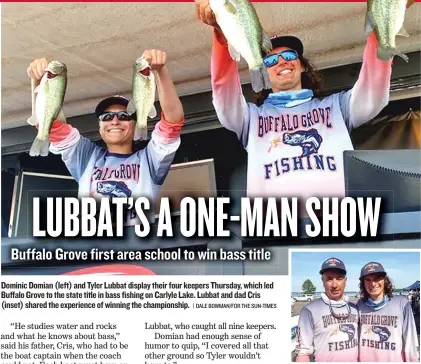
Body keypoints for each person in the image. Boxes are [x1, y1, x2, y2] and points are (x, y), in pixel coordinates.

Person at [195, 0, 393, 206]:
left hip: (336, 227)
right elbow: (224, 97)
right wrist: (221, 35)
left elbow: (374, 92)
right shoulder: (252, 119)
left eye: (289, 55)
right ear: (264, 72)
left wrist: (384, 15)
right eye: (270, 61)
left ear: (302, 66)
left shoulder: (337, 108)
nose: (281, 62)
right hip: (275, 231)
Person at [27, 50, 184, 225]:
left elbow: (173, 122)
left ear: (134, 124)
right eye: (107, 117)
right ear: (100, 128)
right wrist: (38, 81)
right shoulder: (87, 157)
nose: (115, 121)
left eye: (124, 116)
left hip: (137, 248)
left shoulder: (149, 161)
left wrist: (160, 72)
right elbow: (48, 125)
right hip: (94, 248)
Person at [295, 258, 358, 362]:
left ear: (345, 281)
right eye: (329, 279)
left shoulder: (355, 308)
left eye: (339, 278)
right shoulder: (309, 311)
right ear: (322, 281)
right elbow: (303, 352)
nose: (334, 285)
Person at [357, 262, 419, 362]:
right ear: (363, 284)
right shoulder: (359, 305)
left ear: (385, 280)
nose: (373, 283)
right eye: (367, 280)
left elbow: (410, 341)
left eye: (377, 278)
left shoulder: (401, 303)